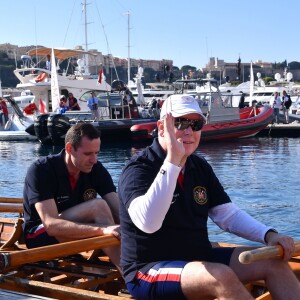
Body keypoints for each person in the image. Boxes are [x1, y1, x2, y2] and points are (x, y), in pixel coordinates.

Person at [118, 94, 300, 300]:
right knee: (220, 276)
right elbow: (148, 223)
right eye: (181, 122)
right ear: (162, 128)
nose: (189, 131)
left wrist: (269, 235)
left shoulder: (199, 166)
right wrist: (173, 161)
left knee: (274, 263)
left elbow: (227, 215)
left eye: (195, 124)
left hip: (198, 258)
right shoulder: (138, 169)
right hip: (148, 270)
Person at [23, 123, 120, 268]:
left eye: (97, 153)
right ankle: (131, 275)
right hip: (39, 236)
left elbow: (119, 210)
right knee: (98, 206)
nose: (94, 160)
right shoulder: (41, 169)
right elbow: (51, 225)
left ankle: (140, 264)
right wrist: (103, 229)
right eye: (88, 154)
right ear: (69, 148)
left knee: (122, 217)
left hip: (76, 229)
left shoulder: (95, 168)